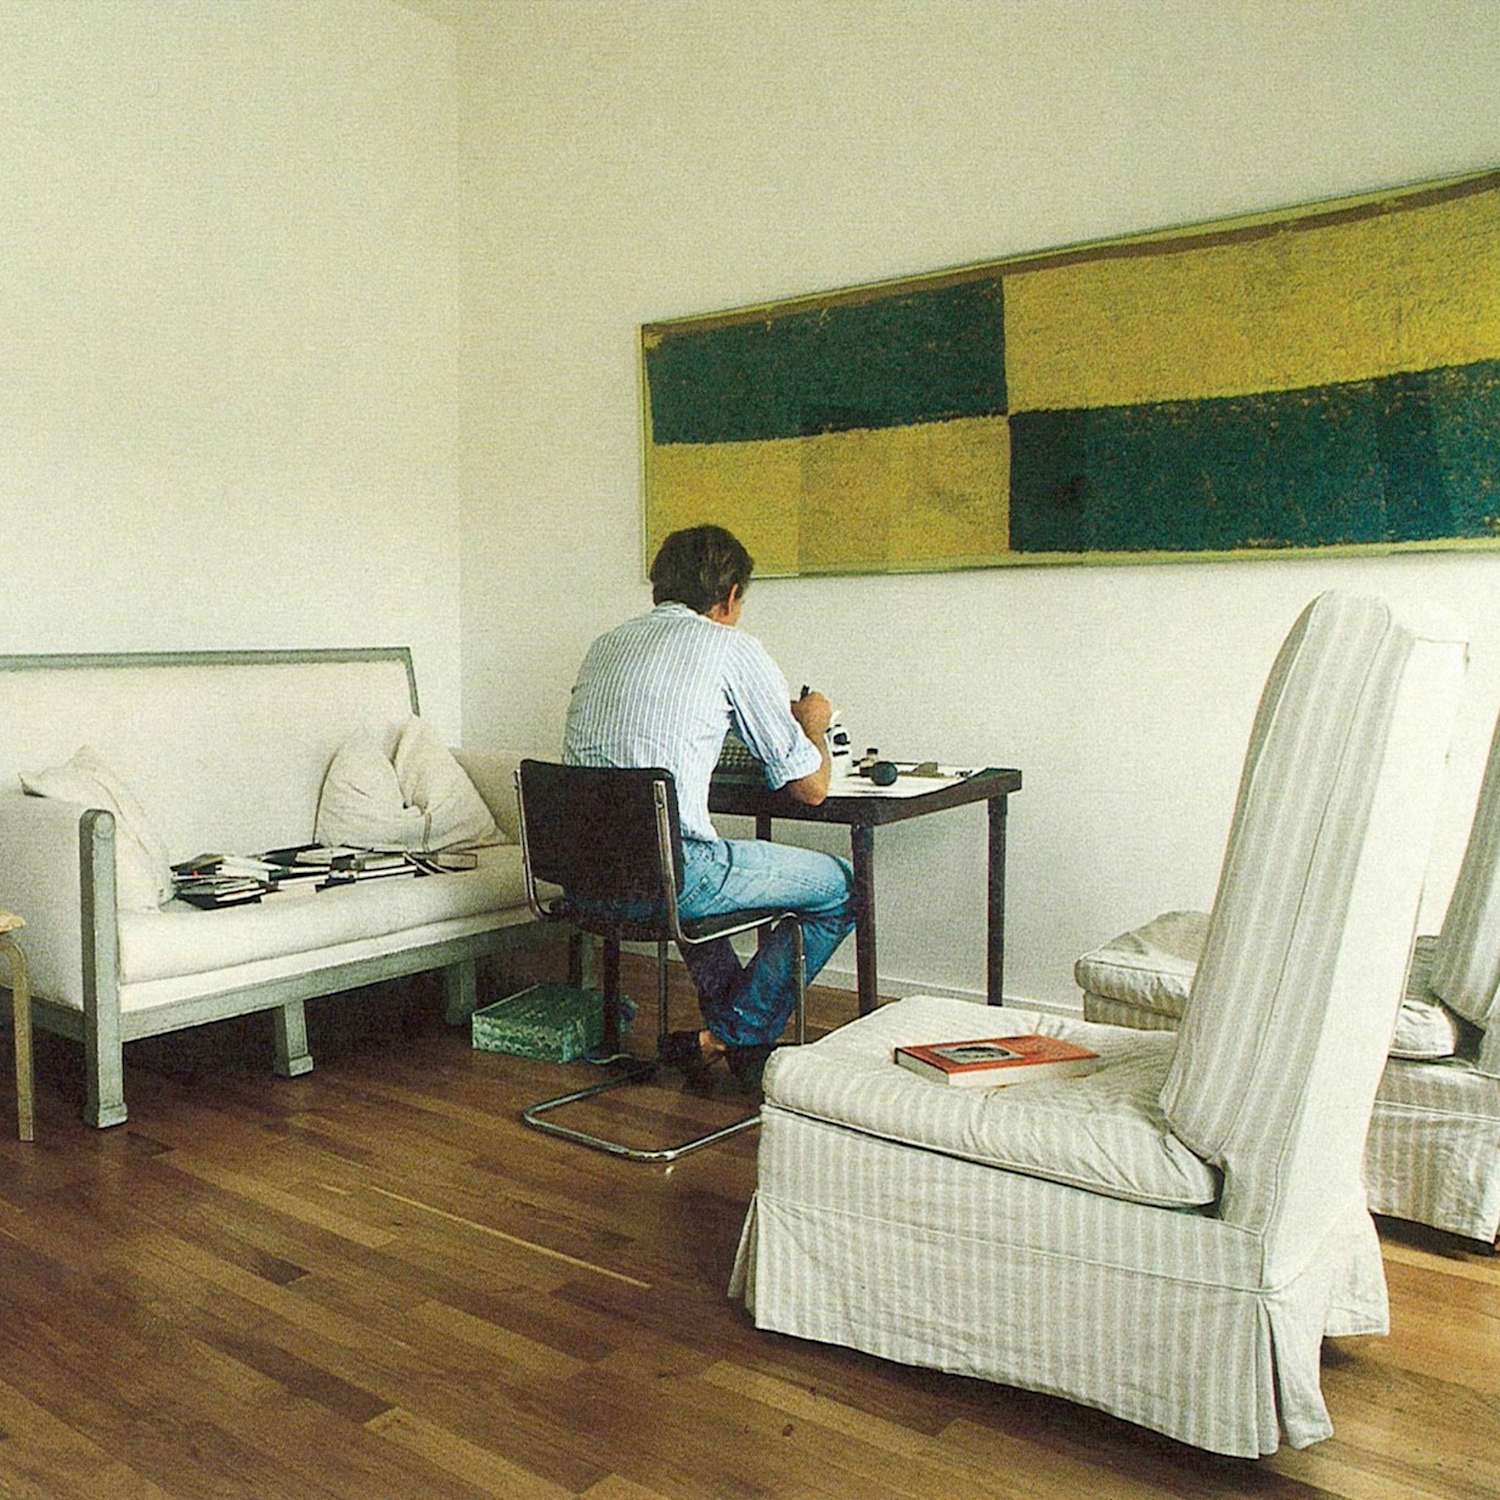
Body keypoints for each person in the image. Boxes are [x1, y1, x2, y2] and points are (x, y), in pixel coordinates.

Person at [563, 524, 855, 1090]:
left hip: (583, 877)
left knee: (684, 874)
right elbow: (811, 789)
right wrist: (812, 727)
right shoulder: (731, 648)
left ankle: (722, 1039)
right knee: (840, 887)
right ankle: (729, 1035)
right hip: (670, 879)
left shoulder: (605, 645)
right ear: (730, 596)